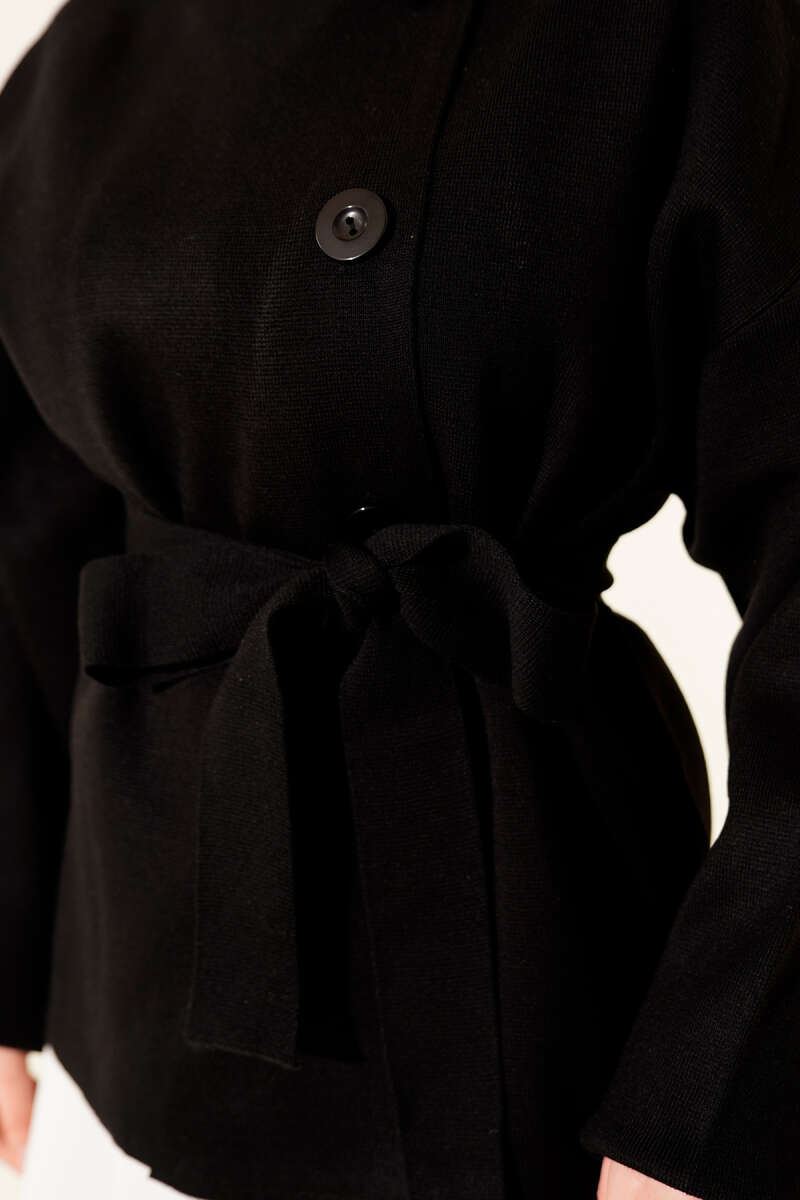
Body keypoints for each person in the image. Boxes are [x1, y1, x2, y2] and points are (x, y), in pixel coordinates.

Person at [1, 0, 798, 1197]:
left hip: (544, 1026)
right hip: (137, 1009)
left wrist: (716, 1098)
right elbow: (25, 531)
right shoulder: (89, 55)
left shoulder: (678, 32)